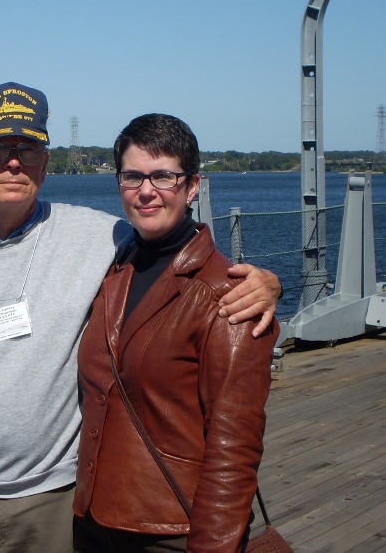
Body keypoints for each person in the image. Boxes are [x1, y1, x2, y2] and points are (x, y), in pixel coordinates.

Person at [0, 83, 280, 553]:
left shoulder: (99, 237)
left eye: (26, 149)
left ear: (45, 164)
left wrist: (266, 282)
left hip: (57, 505)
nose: (12, 162)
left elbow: (178, 246)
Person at [73, 114, 277, 553]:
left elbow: (234, 448)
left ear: (192, 185)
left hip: (172, 531)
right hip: (93, 523)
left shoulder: (227, 297)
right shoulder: (112, 269)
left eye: (163, 175)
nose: (147, 191)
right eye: (133, 177)